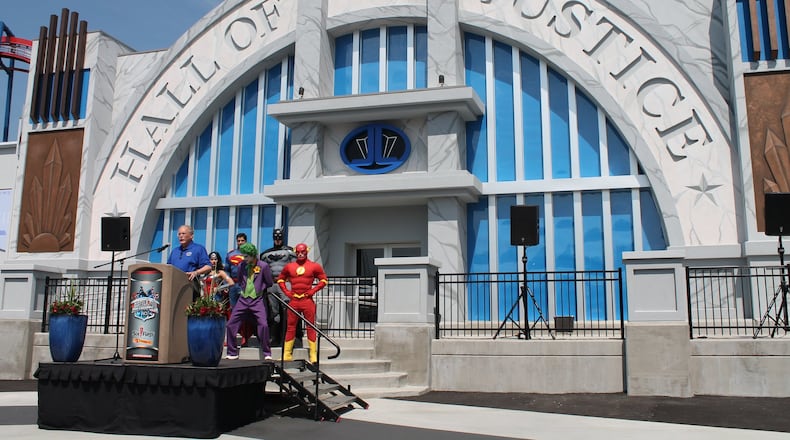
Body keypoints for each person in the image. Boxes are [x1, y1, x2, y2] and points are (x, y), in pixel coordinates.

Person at [277, 243, 328, 363]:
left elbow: (324, 280)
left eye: (303, 252)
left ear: (307, 251)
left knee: (311, 326)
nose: (300, 254)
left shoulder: (314, 266)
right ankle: (287, 354)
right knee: (290, 327)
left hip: (307, 300)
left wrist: (312, 291)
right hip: (294, 299)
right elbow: (280, 279)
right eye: (298, 252)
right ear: (295, 252)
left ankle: (313, 354)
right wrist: (287, 293)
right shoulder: (290, 266)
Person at [224, 243, 274, 361]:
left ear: (252, 255)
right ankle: (232, 352)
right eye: (243, 256)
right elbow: (241, 280)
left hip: (257, 299)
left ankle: (267, 352)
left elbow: (269, 282)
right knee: (231, 324)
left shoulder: (263, 266)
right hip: (243, 298)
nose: (244, 259)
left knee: (263, 325)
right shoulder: (242, 265)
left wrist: (259, 288)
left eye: (246, 256)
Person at [259, 228, 296, 346]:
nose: (278, 240)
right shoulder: (265, 254)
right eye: (276, 237)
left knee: (288, 311)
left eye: (280, 237)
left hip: (285, 284)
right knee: (274, 313)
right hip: (272, 285)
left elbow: (296, 268)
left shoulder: (290, 252)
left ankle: (288, 338)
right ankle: (274, 338)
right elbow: (261, 270)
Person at [167, 225, 211, 300]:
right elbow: (168, 268)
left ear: (191, 236)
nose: (181, 236)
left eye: (183, 234)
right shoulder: (175, 251)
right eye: (179, 234)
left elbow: (208, 267)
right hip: (174, 286)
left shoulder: (198, 249)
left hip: (190, 285)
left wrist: (196, 272)